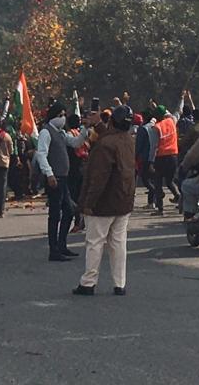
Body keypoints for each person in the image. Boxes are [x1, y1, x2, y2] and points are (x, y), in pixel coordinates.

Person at [73, 106, 135, 296]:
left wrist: (87, 203)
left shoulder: (104, 146)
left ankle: (89, 282)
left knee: (95, 242)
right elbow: (111, 136)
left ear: (113, 121)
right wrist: (98, 124)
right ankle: (120, 283)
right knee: (118, 243)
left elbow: (98, 178)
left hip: (103, 202)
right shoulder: (128, 140)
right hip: (123, 199)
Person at [37, 102, 87, 262]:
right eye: (60, 115)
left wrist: (85, 129)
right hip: (54, 178)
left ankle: (61, 245)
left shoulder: (61, 133)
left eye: (64, 115)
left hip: (63, 179)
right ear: (53, 116)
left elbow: (76, 142)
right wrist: (49, 173)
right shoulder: (46, 132)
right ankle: (54, 250)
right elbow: (41, 154)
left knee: (69, 211)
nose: (63, 118)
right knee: (55, 214)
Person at [150, 105, 180, 215]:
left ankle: (160, 209)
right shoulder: (172, 121)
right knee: (170, 181)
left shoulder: (156, 127)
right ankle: (179, 198)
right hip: (173, 156)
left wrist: (151, 161)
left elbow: (154, 146)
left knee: (158, 183)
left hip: (161, 157)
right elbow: (177, 112)